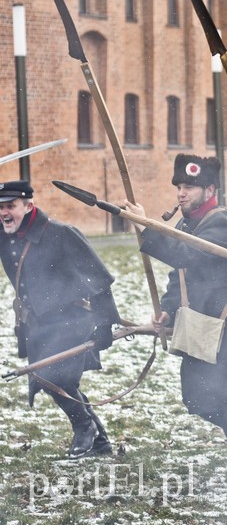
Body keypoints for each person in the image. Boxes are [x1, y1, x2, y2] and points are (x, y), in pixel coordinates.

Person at [125, 154, 227, 473]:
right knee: (198, 398)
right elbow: (179, 274)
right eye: (179, 186)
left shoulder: (221, 223)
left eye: (190, 187)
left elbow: (188, 254)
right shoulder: (187, 224)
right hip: (202, 322)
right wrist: (167, 309)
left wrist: (145, 226)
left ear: (210, 190)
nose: (181, 193)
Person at [0, 180, 120, 459]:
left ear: (29, 206)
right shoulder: (5, 232)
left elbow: (98, 278)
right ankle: (100, 442)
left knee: (53, 375)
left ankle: (83, 427)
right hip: (38, 323)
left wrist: (104, 323)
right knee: (58, 380)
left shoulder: (61, 234)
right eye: (0, 207)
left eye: (11, 206)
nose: (5, 213)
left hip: (72, 318)